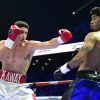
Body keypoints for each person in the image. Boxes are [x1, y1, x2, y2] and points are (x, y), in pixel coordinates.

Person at [0, 21, 72, 100]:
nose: (24, 35)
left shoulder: (29, 46)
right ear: (13, 31)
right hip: (1, 84)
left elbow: (49, 43)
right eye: (21, 32)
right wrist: (10, 39)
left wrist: (61, 39)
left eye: (26, 33)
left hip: (19, 87)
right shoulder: (3, 43)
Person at [54, 7, 100, 100]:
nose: (91, 21)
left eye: (94, 18)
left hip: (85, 82)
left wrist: (62, 70)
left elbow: (79, 58)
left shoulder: (92, 35)